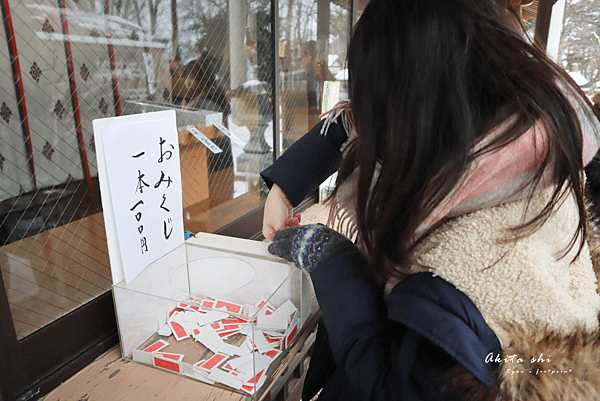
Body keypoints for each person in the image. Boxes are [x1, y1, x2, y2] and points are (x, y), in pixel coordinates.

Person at [261, 0, 600, 400]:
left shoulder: (463, 274)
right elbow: (348, 125)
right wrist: (284, 186)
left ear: (415, 109)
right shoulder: (527, 143)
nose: (369, 124)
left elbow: (389, 386)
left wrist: (336, 264)